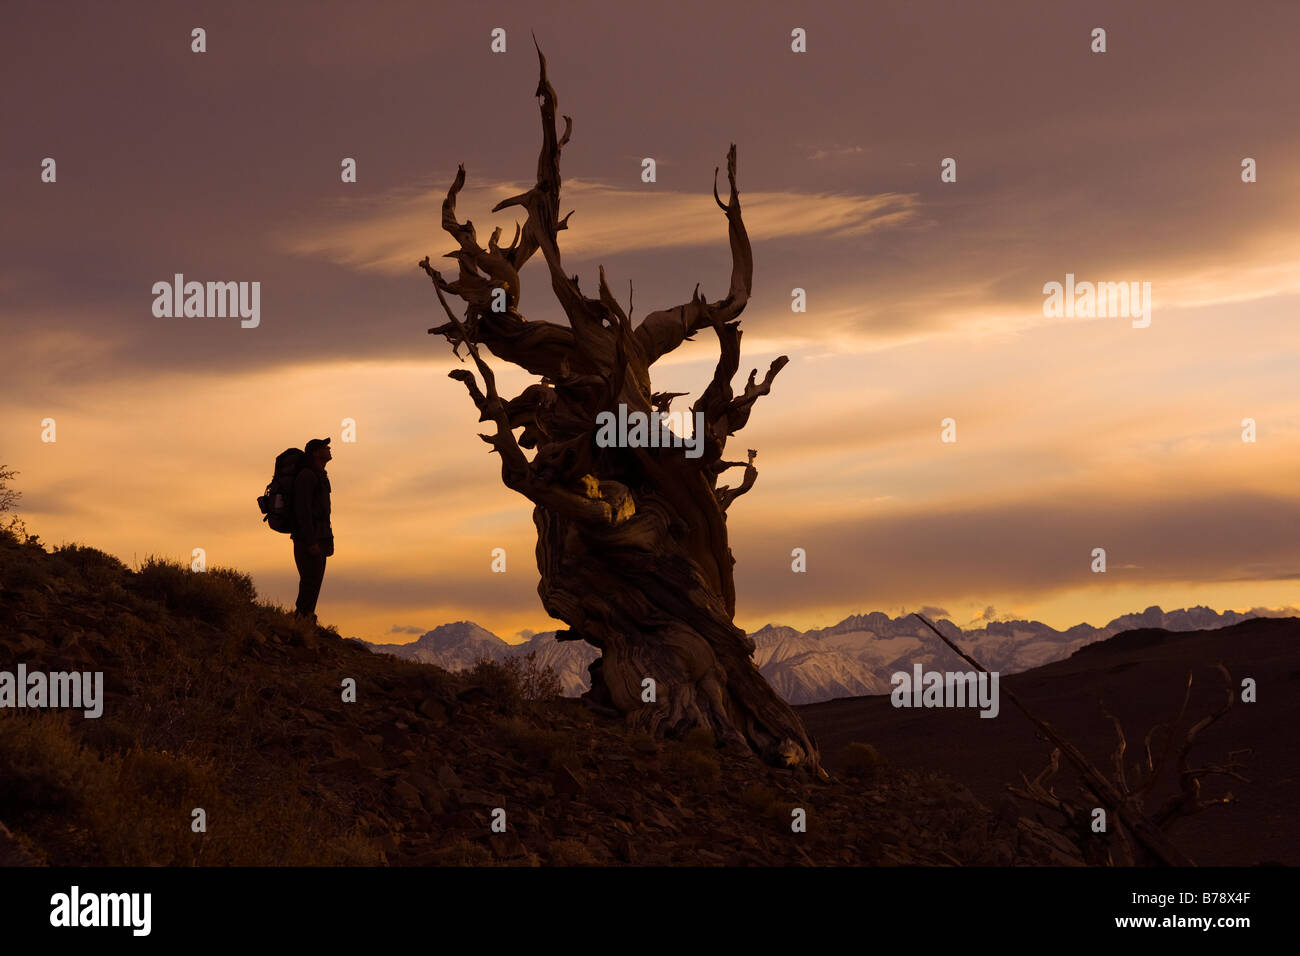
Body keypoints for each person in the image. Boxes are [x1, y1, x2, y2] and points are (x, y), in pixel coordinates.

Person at [291, 437, 333, 623]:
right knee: (310, 581)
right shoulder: (307, 476)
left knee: (314, 582)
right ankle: (301, 621)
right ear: (315, 453)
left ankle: (305, 621)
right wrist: (310, 542)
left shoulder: (319, 475)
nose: (329, 448)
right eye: (325, 447)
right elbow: (303, 511)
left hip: (319, 538)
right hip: (308, 539)